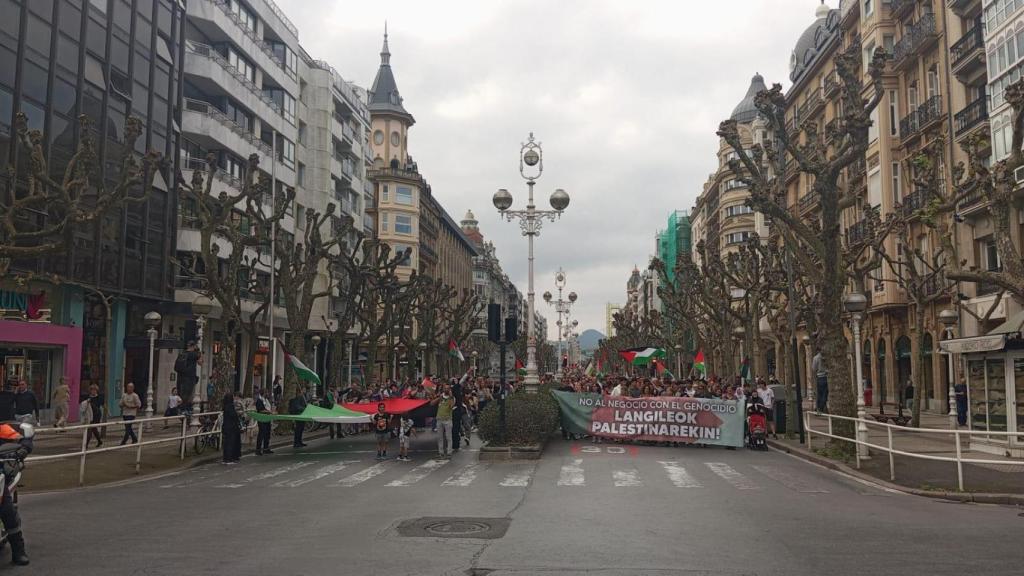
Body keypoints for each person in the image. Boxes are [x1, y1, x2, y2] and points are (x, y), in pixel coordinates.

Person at [0, 421, 32, 565]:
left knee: (6, 509)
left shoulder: (2, 428)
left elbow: (22, 436)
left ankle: (18, 550)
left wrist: (23, 448)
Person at [174, 341, 202, 412]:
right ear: (193, 346)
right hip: (189, 379)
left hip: (180, 379)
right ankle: (185, 411)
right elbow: (201, 362)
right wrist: (198, 350)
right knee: (188, 397)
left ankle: (181, 410)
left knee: (182, 396)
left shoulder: (182, 353)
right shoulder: (194, 354)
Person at [431, 384, 454, 458]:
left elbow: (451, 406)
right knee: (439, 437)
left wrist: (450, 397)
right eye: (445, 388)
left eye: (448, 388)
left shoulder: (452, 398)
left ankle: (449, 453)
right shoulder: (440, 397)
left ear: (450, 390)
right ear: (443, 389)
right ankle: (441, 452)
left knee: (448, 437)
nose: (446, 390)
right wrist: (439, 398)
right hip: (439, 419)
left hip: (448, 420)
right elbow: (431, 403)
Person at [221, 391, 242, 464]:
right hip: (231, 427)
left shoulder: (225, 406)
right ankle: (229, 458)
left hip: (226, 426)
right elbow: (233, 415)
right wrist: (237, 415)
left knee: (227, 442)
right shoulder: (230, 406)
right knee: (230, 442)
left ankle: (226, 458)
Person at [254, 387, 274, 455]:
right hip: (262, 419)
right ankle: (258, 449)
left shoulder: (266, 400)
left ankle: (266, 448)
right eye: (267, 392)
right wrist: (269, 412)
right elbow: (260, 410)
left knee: (267, 434)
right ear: (264, 393)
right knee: (261, 434)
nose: (268, 394)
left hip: (267, 419)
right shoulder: (259, 400)